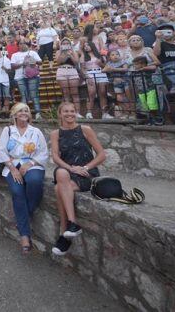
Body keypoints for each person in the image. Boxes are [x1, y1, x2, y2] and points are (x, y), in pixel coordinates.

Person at [49, 102, 106, 256]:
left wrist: (85, 168)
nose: (69, 114)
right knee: (61, 174)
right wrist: (71, 168)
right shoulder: (56, 133)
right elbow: (55, 156)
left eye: (72, 111)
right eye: (66, 111)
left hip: (87, 173)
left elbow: (101, 154)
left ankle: (64, 234)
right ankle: (73, 223)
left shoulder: (85, 130)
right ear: (60, 114)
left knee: (57, 188)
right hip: (69, 171)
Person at [0, 102, 49, 253]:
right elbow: (2, 150)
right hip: (12, 164)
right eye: (21, 111)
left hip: (33, 164)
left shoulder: (36, 131)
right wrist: (13, 169)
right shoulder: (8, 130)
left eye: (27, 111)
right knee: (17, 192)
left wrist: (29, 164)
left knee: (34, 181)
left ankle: (23, 217)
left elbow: (43, 152)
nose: (24, 113)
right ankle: (25, 236)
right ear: (15, 114)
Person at [10, 41, 43, 120]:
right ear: (18, 45)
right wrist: (22, 64)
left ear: (27, 45)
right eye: (20, 43)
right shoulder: (15, 55)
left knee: (33, 95)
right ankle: (24, 114)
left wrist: (33, 61)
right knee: (24, 95)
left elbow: (40, 62)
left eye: (24, 43)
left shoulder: (33, 53)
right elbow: (12, 66)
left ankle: (38, 113)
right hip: (19, 77)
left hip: (33, 76)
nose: (22, 44)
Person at [81, 39, 112, 119]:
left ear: (92, 46)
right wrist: (87, 76)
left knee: (102, 92)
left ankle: (104, 113)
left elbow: (105, 66)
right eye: (84, 46)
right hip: (90, 73)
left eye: (87, 45)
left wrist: (100, 63)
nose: (86, 47)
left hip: (100, 72)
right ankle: (89, 113)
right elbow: (82, 68)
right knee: (91, 93)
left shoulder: (99, 55)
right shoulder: (83, 56)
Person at [55, 37, 82, 117]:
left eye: (67, 43)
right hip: (61, 70)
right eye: (64, 44)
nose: (66, 45)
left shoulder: (74, 51)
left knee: (75, 92)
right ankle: (67, 113)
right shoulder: (58, 52)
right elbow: (58, 62)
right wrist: (64, 54)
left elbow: (76, 62)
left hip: (72, 70)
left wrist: (70, 55)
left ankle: (77, 112)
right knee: (65, 93)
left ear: (70, 45)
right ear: (61, 45)